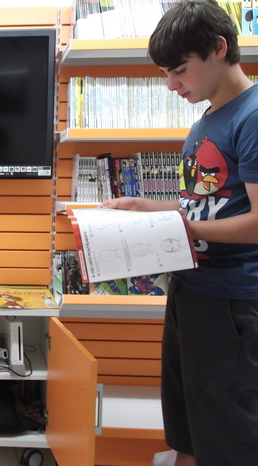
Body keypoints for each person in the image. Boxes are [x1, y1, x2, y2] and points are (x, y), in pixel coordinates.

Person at [99, 1, 258, 465]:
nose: (171, 85)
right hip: (190, 291)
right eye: (165, 73)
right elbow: (203, 206)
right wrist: (147, 208)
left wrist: (179, 228)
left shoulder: (252, 117)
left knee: (228, 436)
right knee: (188, 426)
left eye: (180, 70)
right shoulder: (207, 120)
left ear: (218, 48)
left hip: (231, 301)